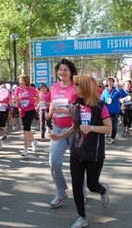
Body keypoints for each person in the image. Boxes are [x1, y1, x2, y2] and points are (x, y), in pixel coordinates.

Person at [51, 75, 112, 228]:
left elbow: (108, 128)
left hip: (95, 154)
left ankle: (103, 190)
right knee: (77, 185)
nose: (73, 87)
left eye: (76, 85)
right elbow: (75, 127)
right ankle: (81, 217)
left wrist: (91, 128)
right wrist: (60, 136)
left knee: (92, 185)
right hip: (77, 152)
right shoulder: (75, 105)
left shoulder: (100, 107)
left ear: (84, 87)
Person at [46, 58, 78, 207]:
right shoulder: (54, 87)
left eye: (65, 69)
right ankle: (60, 191)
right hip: (57, 129)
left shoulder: (76, 88)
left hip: (75, 129)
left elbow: (81, 109)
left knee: (78, 164)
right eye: (60, 70)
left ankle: (81, 191)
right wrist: (50, 112)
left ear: (71, 72)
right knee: (54, 162)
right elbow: (53, 101)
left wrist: (66, 110)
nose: (62, 72)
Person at [13, 74, 39, 157]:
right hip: (22, 111)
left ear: (26, 81)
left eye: (21, 80)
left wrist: (36, 102)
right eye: (19, 80)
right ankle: (34, 141)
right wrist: (14, 100)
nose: (20, 82)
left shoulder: (32, 89)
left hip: (31, 111)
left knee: (25, 129)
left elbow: (37, 97)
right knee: (27, 129)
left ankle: (25, 150)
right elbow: (16, 98)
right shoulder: (18, 89)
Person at [101, 77, 127, 143]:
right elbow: (102, 100)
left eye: (111, 81)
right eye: (109, 81)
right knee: (107, 124)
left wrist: (120, 89)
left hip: (115, 110)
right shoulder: (104, 91)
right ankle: (107, 132)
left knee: (114, 125)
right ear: (107, 83)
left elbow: (124, 95)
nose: (110, 82)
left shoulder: (116, 90)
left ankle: (113, 137)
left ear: (113, 83)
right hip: (107, 111)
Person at [0, 84, 10, 149]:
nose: (2, 89)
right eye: (1, 88)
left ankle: (5, 134)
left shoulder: (7, 94)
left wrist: (6, 104)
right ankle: (5, 128)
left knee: (3, 123)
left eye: (3, 88)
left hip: (5, 110)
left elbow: (9, 101)